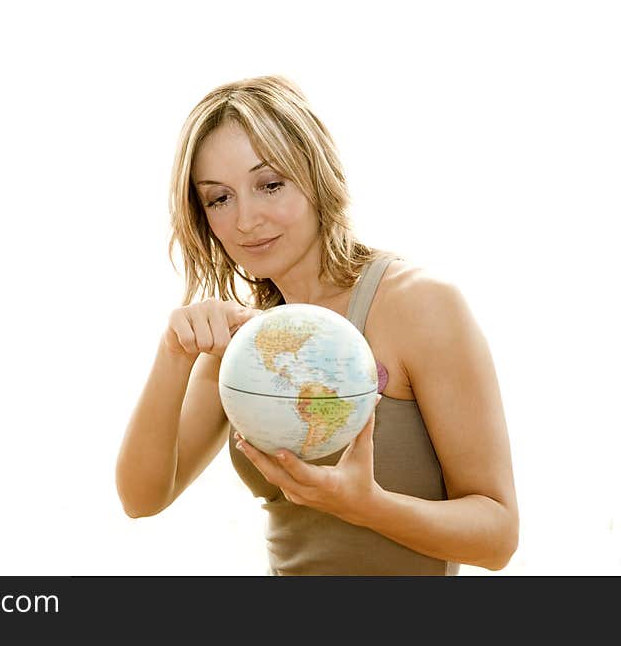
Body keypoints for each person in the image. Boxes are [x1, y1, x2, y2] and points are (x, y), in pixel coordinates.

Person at [115, 74, 519, 575]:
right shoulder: (245, 343)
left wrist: (366, 505)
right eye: (219, 198)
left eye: (270, 185)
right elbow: (141, 498)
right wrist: (174, 354)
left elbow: (498, 538)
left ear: (316, 174)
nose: (245, 220)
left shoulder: (419, 305)